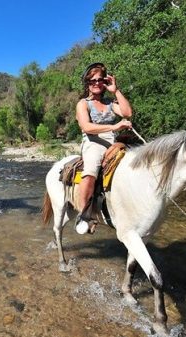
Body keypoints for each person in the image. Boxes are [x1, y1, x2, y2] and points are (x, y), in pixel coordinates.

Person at [75, 62, 133, 233]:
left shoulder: (109, 102)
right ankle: (84, 215)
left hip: (114, 141)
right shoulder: (83, 104)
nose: (97, 83)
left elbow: (127, 113)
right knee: (91, 170)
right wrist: (114, 127)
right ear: (87, 83)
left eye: (100, 80)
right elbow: (87, 127)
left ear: (105, 81)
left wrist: (115, 91)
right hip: (94, 141)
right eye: (92, 80)